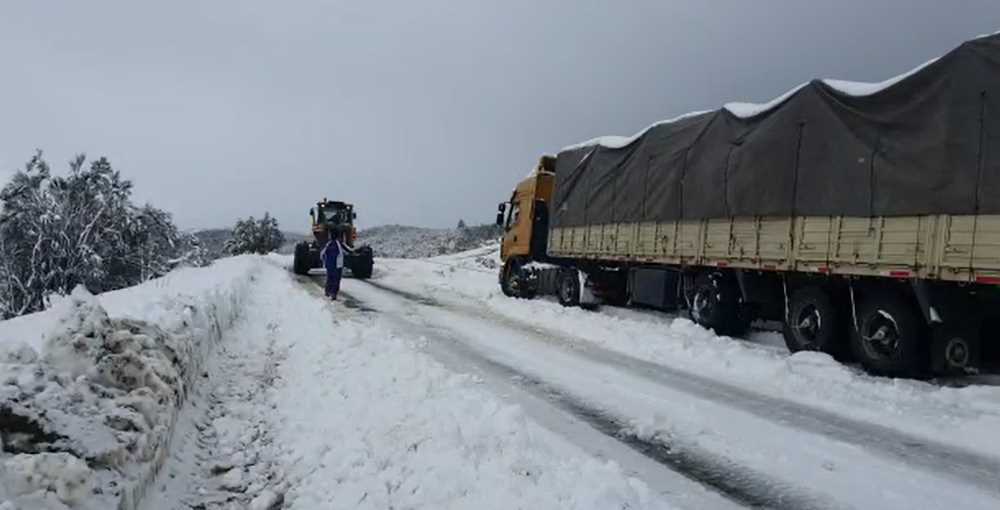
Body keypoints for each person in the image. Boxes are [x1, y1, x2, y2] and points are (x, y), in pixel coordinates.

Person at [320, 233, 345, 300]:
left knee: (330, 278)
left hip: (330, 265)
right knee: (336, 280)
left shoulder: (328, 244)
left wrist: (324, 261)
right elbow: (347, 250)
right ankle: (333, 293)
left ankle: (328, 292)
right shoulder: (339, 244)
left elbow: (322, 254)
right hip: (337, 265)